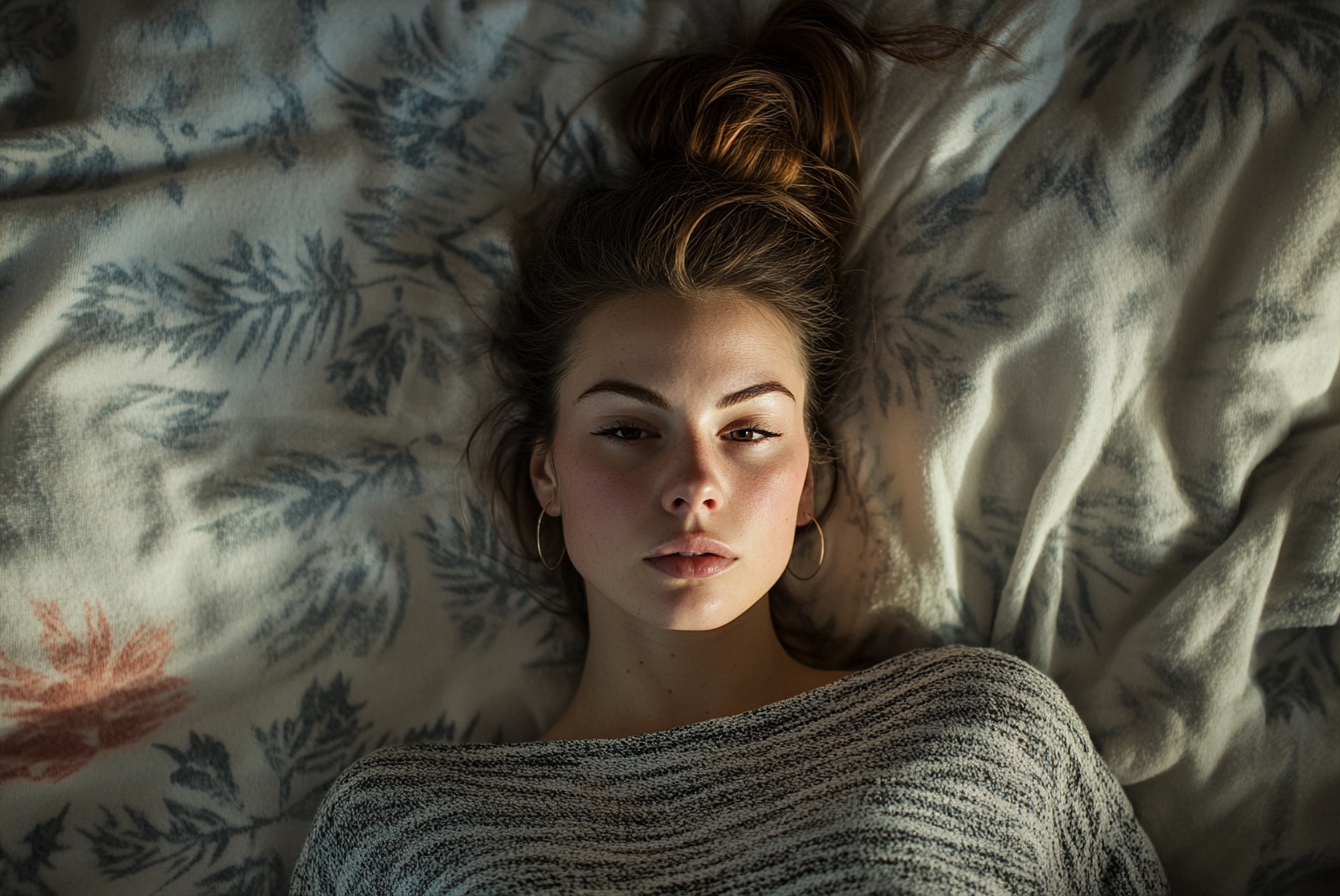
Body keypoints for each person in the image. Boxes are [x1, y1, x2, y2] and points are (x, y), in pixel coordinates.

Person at [289, 1, 1169, 892]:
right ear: (545, 473)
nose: (694, 484)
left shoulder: (983, 738)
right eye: (630, 430)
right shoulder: (399, 835)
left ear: (810, 482)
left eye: (747, 431)